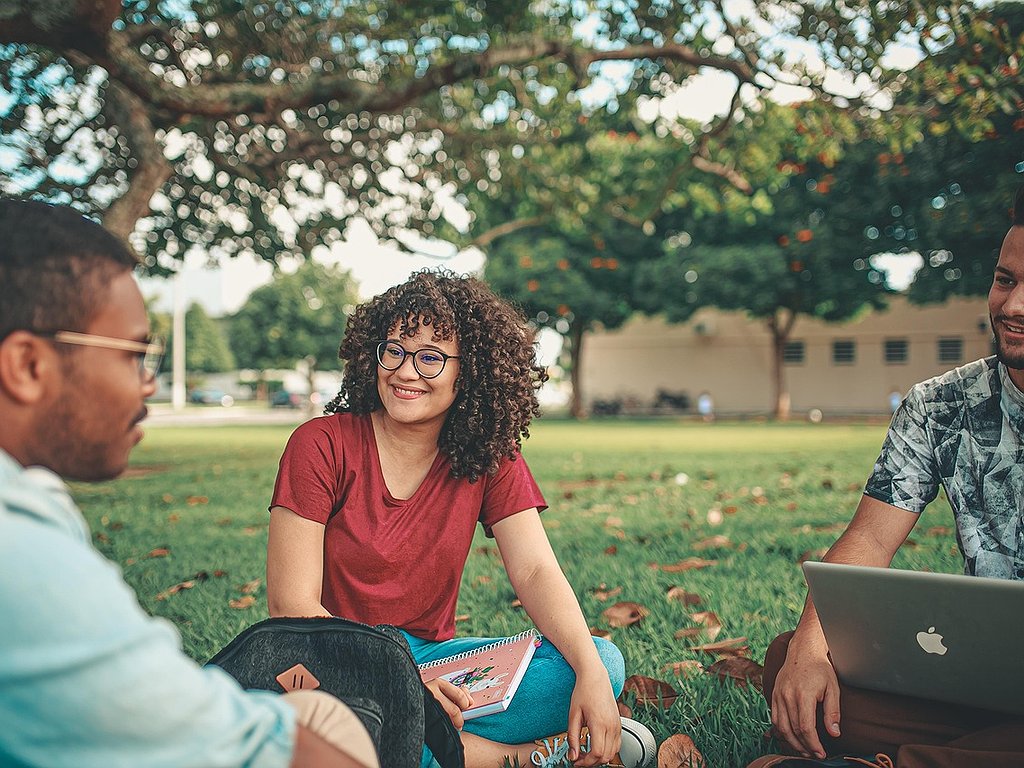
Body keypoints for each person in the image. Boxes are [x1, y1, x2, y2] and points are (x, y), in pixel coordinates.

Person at [0, 199, 378, 768]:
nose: (149, 384)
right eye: (134, 355)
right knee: (332, 726)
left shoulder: (30, 501)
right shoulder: (23, 559)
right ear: (28, 366)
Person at [265, 270, 654, 768]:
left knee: (600, 660)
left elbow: (535, 570)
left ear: (467, 371)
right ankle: (523, 757)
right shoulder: (320, 445)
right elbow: (291, 607)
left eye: (431, 357)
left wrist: (591, 676)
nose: (406, 372)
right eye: (395, 351)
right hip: (332, 663)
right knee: (337, 726)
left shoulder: (489, 456)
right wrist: (404, 690)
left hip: (433, 664)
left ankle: (418, 745)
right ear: (373, 354)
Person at [756, 188, 1024, 767]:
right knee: (793, 667)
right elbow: (872, 538)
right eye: (1005, 280)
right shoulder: (940, 405)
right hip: (991, 681)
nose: (1012, 306)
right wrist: (812, 644)